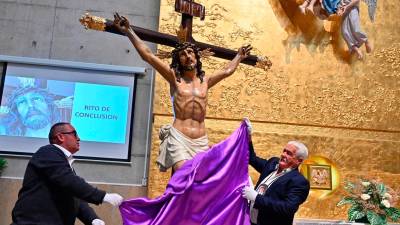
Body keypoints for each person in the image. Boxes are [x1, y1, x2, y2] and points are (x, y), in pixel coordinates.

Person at [112, 13, 252, 173]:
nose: (187, 57)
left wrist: (239, 57)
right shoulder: (174, 77)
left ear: (196, 56)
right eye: (183, 55)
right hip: (180, 137)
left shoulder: (206, 81)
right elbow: (149, 56)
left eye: (190, 53)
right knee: (183, 174)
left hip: (200, 140)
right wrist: (129, 31)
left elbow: (227, 70)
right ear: (179, 60)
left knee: (197, 181)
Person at [11, 122, 124, 225]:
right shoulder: (48, 152)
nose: (79, 138)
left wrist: (93, 219)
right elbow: (70, 182)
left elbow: (75, 197)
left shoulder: (62, 164)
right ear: (60, 137)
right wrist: (103, 196)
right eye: (75, 134)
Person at [241, 120, 310, 225]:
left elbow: (288, 208)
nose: (283, 155)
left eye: (289, 154)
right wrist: (248, 136)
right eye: (284, 151)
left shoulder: (299, 181)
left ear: (298, 161)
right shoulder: (272, 164)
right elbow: (251, 158)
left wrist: (256, 197)